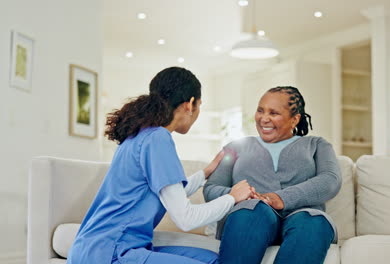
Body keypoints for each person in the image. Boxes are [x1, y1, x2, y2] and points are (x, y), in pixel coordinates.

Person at [67, 67, 253, 264]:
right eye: (199, 105)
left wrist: (205, 173)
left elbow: (168, 194)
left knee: (212, 259)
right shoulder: (158, 139)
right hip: (108, 253)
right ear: (190, 104)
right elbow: (186, 218)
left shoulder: (142, 135)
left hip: (100, 248)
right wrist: (232, 197)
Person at [203, 86, 342, 264]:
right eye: (260, 111)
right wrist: (238, 196)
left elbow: (330, 180)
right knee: (252, 211)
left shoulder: (317, 145)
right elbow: (211, 189)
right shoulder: (236, 147)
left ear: (295, 119)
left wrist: (280, 198)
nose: (264, 118)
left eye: (274, 113)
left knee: (313, 222)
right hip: (251, 215)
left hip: (303, 216)